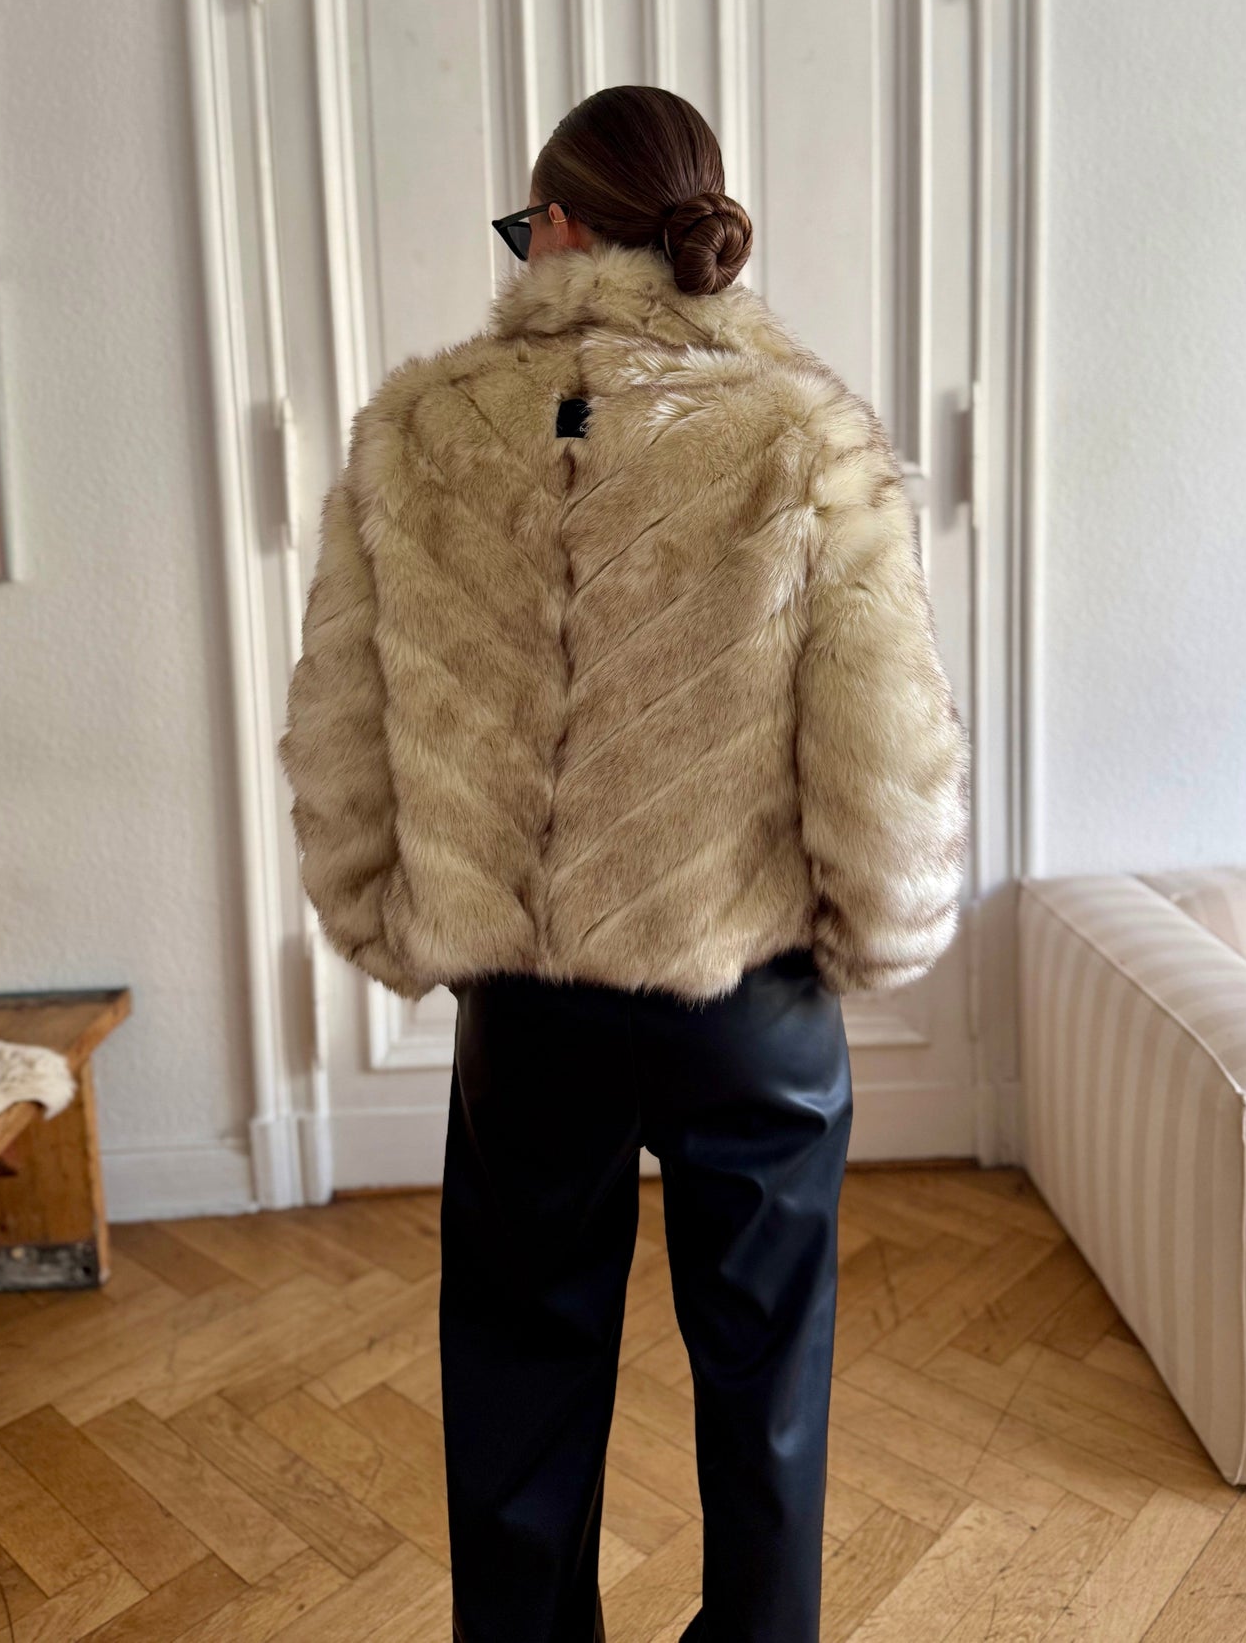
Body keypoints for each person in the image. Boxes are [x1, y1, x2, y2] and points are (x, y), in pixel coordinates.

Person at [277, 84, 971, 1642]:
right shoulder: (795, 432)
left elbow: (341, 719)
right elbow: (882, 732)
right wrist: (875, 933)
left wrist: (380, 913)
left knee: (518, 1369)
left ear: (561, 227)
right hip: (749, 993)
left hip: (528, 1000)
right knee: (767, 1389)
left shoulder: (421, 429)